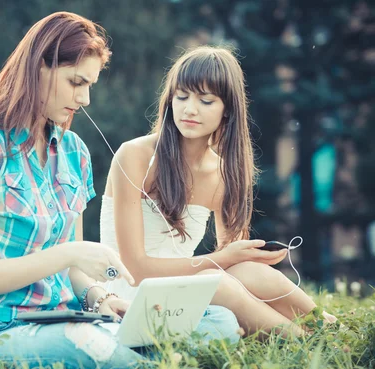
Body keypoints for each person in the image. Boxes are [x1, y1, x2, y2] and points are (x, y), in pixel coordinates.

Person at [0, 13, 240, 369]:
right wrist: (69, 253)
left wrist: (101, 300)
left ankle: (130, 350)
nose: (84, 99)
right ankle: (152, 364)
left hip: (71, 317)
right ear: (38, 68)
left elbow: (74, 271)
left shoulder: (74, 152)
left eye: (90, 85)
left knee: (220, 320)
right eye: (76, 82)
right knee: (96, 347)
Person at [100, 46, 336, 339]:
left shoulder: (225, 172)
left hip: (183, 290)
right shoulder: (134, 156)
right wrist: (223, 259)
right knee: (216, 280)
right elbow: (135, 268)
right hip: (126, 295)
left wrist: (247, 256)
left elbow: (234, 260)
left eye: (206, 100)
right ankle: (302, 341)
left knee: (249, 273)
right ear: (170, 99)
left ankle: (325, 325)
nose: (189, 109)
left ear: (228, 110)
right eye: (182, 96)